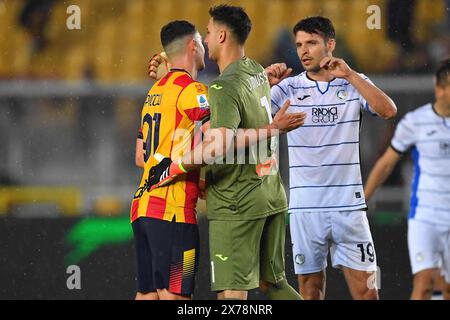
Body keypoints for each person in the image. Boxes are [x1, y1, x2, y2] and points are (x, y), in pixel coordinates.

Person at [147, 5, 303, 300]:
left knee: (230, 294)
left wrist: (175, 164)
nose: (205, 39)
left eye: (207, 32)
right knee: (274, 284)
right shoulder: (256, 70)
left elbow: (218, 145)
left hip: (235, 203)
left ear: (221, 35)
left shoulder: (222, 87)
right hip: (270, 195)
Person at [270, 16, 397, 300]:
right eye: (299, 44)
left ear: (330, 44)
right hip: (305, 208)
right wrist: (263, 86)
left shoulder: (354, 81)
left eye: (311, 43)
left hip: (348, 208)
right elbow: (246, 124)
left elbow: (388, 110)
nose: (303, 50)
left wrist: (351, 75)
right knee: (310, 291)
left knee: (367, 292)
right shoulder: (287, 88)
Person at [364, 59, 450, 300]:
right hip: (425, 217)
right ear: (440, 89)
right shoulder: (415, 122)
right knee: (424, 283)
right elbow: (386, 163)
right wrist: (363, 199)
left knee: (446, 289)